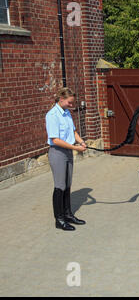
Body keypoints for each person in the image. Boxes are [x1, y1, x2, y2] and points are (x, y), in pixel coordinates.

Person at [45, 87, 87, 231]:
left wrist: (81, 141)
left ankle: (68, 214)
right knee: (59, 186)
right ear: (61, 99)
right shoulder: (52, 115)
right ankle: (59, 219)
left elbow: (73, 131)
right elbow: (55, 139)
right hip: (57, 152)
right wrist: (75, 148)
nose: (71, 105)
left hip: (68, 151)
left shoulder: (67, 113)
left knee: (68, 184)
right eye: (69, 102)